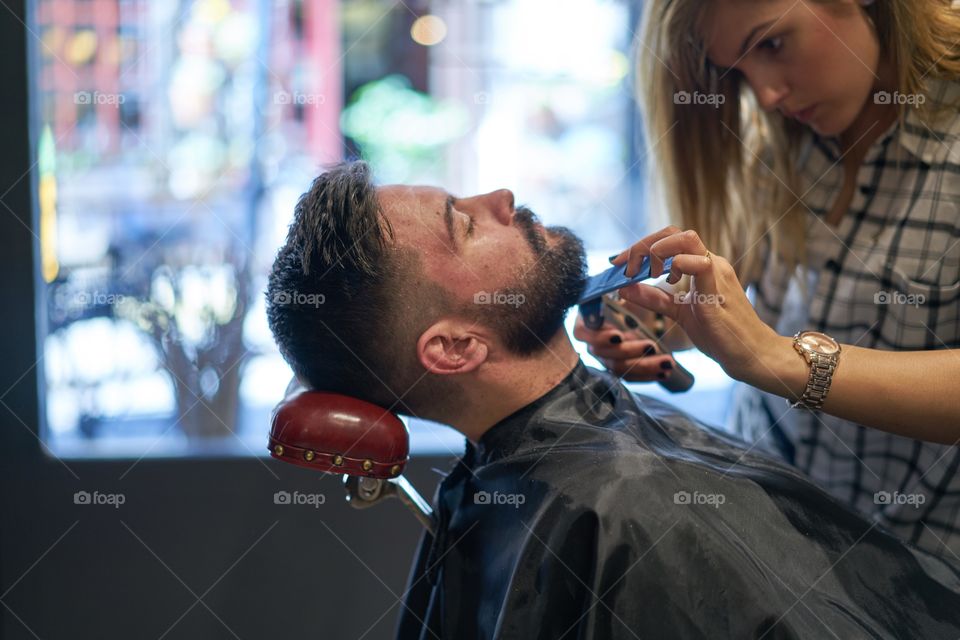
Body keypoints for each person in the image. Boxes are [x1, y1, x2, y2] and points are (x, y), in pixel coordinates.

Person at [266, 162, 960, 639]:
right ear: (454, 350)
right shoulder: (620, 510)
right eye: (466, 224)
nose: (501, 198)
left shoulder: (534, 491)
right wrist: (767, 357)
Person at [576, 0, 960, 558]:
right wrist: (660, 319)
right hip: (775, 550)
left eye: (773, 44)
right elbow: (729, 304)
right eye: (738, 74)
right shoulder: (785, 148)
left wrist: (778, 359)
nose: (768, 95)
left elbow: (763, 349)